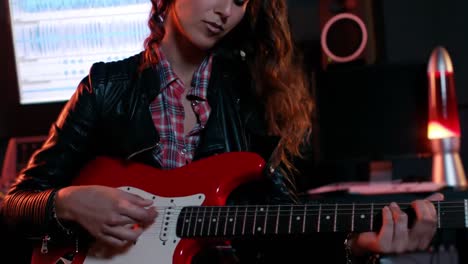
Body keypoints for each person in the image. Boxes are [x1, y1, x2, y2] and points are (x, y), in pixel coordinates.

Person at [1, 0, 442, 263]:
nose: (225, 11)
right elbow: (13, 206)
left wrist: (357, 243)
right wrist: (69, 202)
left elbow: (280, 235)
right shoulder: (105, 87)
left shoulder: (254, 101)